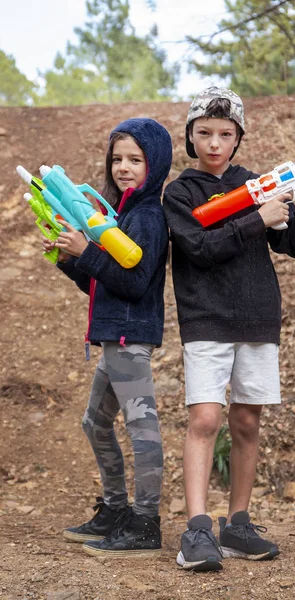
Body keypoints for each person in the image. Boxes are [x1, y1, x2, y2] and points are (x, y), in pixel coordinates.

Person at [162, 86, 295, 572]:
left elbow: (293, 245)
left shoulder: (258, 182)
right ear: (190, 136)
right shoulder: (180, 192)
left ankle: (237, 524)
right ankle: (197, 529)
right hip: (205, 318)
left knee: (246, 421)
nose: (214, 143)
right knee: (204, 420)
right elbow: (198, 247)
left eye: (225, 134)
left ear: (238, 137)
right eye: (204, 133)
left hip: (258, 316)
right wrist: (255, 220)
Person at [42, 118, 172, 557]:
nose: (123, 167)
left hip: (129, 340)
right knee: (94, 423)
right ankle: (116, 511)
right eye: (117, 158)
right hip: (113, 336)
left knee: (142, 430)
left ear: (154, 165)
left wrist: (88, 252)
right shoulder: (122, 214)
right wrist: (70, 257)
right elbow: (102, 284)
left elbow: (135, 284)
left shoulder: (150, 217)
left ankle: (146, 522)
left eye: (135, 159)